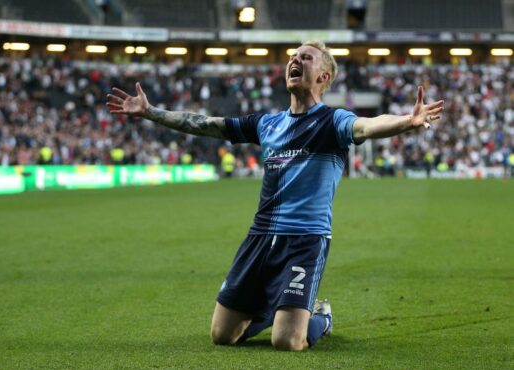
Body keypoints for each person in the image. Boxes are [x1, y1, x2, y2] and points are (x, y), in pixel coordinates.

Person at [107, 40, 444, 351]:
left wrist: (406, 121)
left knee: (288, 341)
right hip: (260, 237)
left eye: (306, 58)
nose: (295, 61)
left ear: (323, 76)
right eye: (293, 57)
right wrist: (151, 113)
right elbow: (205, 124)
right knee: (222, 336)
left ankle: (320, 318)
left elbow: (368, 126)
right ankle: (277, 307)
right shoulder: (267, 124)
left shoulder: (333, 122)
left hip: (304, 240)